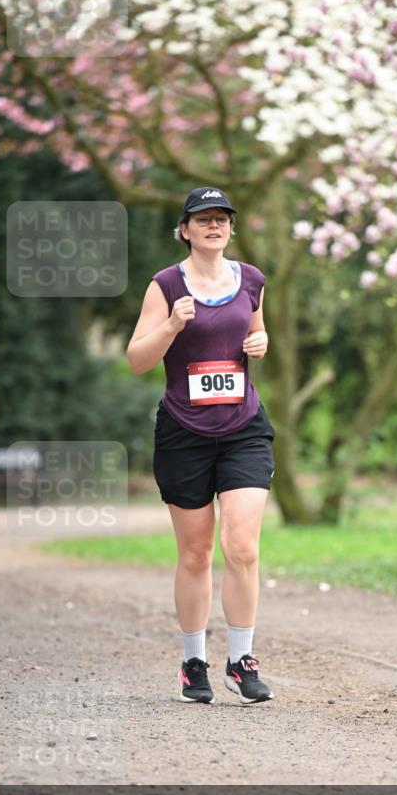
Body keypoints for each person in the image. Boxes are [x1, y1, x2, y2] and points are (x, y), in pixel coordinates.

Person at [127, 186, 275, 706]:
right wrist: (172, 324)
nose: (214, 225)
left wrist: (260, 343)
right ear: (185, 229)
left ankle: (242, 660)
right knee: (195, 553)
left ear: (231, 228)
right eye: (203, 219)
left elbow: (254, 335)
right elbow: (137, 360)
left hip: (243, 429)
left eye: (222, 218)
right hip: (184, 434)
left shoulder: (251, 280)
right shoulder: (165, 285)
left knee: (243, 546)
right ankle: (194, 664)